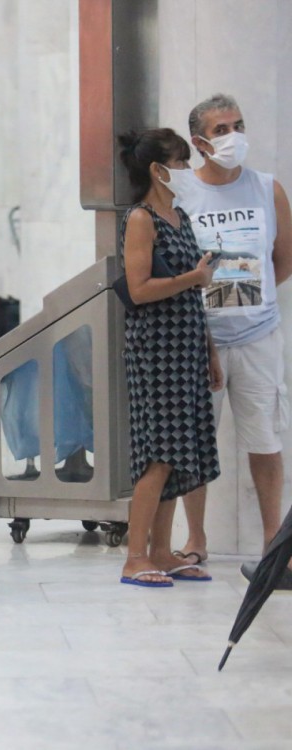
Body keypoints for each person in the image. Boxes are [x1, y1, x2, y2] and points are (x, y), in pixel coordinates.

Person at [169, 95, 292, 579]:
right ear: (199, 142)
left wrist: (250, 295)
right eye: (221, 129)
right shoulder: (183, 192)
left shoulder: (267, 188)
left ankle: (272, 546)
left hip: (259, 335)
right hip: (201, 337)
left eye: (238, 125)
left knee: (264, 438)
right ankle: (195, 539)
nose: (232, 135)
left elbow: (284, 258)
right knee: (197, 442)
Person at [116, 128, 221, 587]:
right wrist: (193, 279)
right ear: (159, 170)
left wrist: (209, 352)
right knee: (158, 454)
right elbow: (138, 290)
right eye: (181, 162)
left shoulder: (180, 216)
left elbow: (194, 292)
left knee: (179, 453)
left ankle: (162, 548)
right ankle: (135, 554)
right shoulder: (141, 219)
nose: (188, 170)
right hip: (155, 351)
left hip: (185, 347)